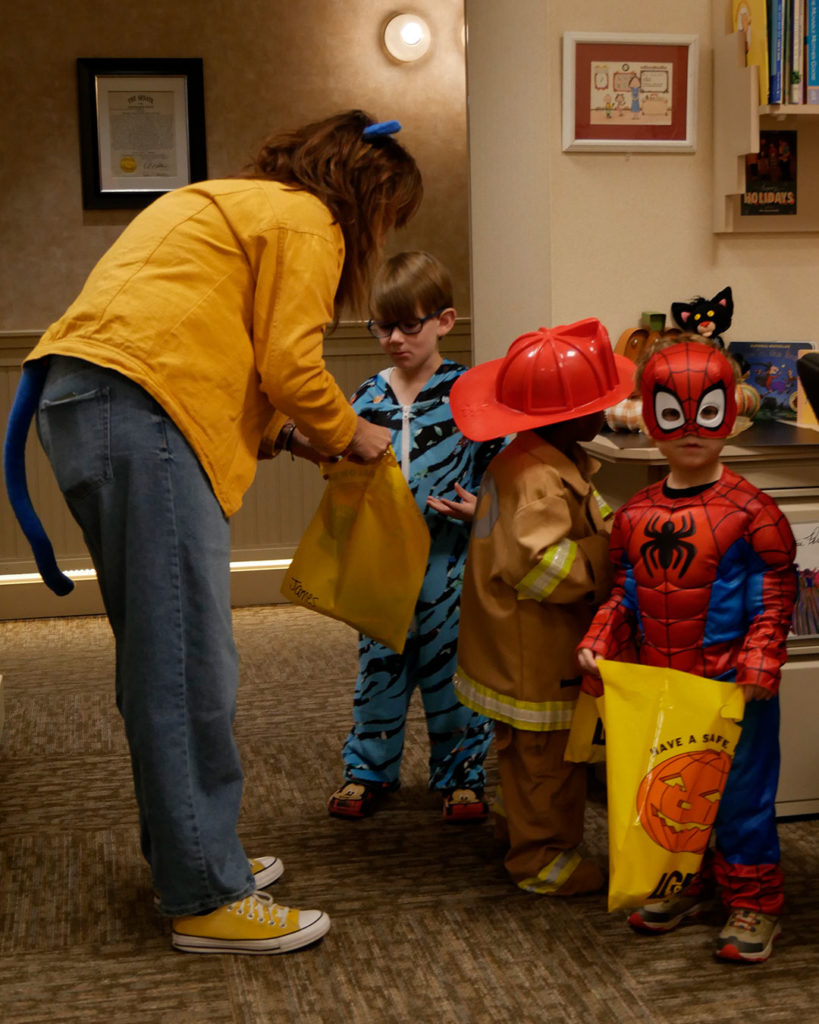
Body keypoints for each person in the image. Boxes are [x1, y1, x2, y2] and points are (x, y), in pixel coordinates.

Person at [4, 110, 422, 955]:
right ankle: (204, 893)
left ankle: (192, 852)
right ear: (366, 193)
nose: (380, 237)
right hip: (138, 410)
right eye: (390, 219)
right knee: (188, 663)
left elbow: (200, 345)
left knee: (162, 655)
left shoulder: (223, 201)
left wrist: (291, 437)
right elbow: (289, 365)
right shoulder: (308, 219)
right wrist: (349, 433)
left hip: (91, 404)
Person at [577, 337, 797, 964]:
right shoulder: (634, 514)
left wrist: (759, 661)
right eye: (674, 412)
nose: (692, 429)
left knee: (742, 797)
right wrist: (598, 643)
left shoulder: (754, 512)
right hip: (663, 688)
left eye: (709, 411)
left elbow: (774, 597)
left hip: (732, 688)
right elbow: (624, 594)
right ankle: (687, 882)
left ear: (731, 413)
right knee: (670, 794)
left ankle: (755, 900)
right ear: (650, 416)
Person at [449, 318, 635, 894]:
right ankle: (543, 862)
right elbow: (540, 568)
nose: (608, 415)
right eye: (599, 406)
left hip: (514, 648)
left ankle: (521, 828)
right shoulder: (539, 480)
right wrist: (611, 556)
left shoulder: (543, 462)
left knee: (525, 759)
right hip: (536, 656)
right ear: (568, 417)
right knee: (548, 763)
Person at [326, 251, 504, 822]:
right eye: (383, 326)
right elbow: (342, 476)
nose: (395, 339)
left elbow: (503, 474)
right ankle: (368, 771)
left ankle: (461, 775)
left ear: (445, 321)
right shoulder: (365, 397)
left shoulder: (468, 395)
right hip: (382, 567)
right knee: (379, 671)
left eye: (410, 325)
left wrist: (484, 510)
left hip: (449, 563)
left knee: (451, 675)